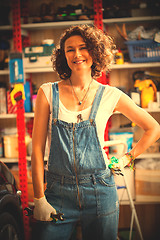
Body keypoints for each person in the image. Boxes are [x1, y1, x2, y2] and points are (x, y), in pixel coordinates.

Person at [31, 24, 160, 240]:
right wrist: (38, 198)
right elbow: (36, 151)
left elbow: (153, 128)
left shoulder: (111, 95)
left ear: (95, 51)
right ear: (63, 56)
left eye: (83, 47)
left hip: (100, 191)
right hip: (57, 193)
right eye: (69, 49)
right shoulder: (47, 92)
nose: (77, 54)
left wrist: (127, 158)